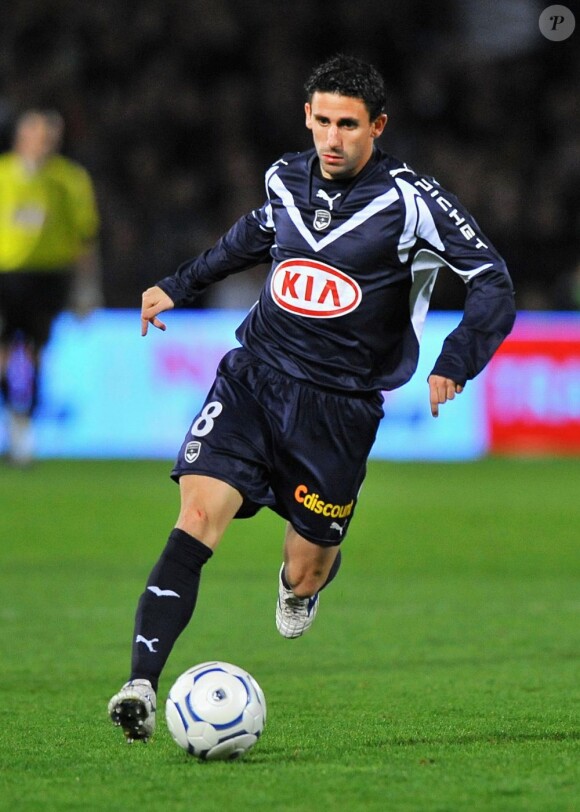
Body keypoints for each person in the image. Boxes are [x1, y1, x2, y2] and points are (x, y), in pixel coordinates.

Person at [108, 54, 516, 742]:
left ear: (377, 127)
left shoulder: (411, 199)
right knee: (196, 515)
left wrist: (457, 360)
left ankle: (303, 584)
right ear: (307, 117)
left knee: (305, 569)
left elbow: (491, 278)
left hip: (341, 408)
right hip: (256, 377)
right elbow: (252, 236)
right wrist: (179, 284)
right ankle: (141, 685)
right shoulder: (282, 178)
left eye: (349, 125)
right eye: (322, 120)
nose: (333, 137)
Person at [0, 109, 101, 465]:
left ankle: (25, 428)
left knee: (36, 353)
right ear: (21, 137)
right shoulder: (4, 175)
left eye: (50, 138)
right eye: (38, 136)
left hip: (48, 277)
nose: (44, 144)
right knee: (6, 353)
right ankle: (14, 422)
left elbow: (85, 237)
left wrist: (87, 289)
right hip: (6, 275)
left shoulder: (70, 180)